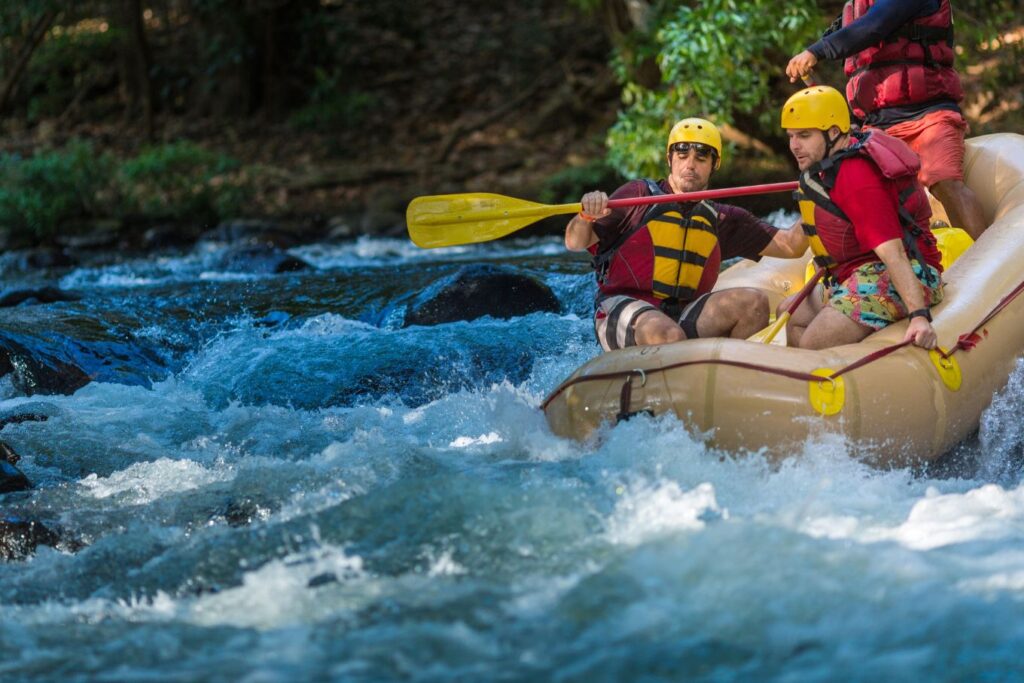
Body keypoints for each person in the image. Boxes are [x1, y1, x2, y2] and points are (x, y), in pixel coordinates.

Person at [564, 118, 807, 352]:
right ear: (669, 159)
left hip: (684, 314)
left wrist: (820, 194)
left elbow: (790, 246)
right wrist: (585, 216)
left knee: (754, 304)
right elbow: (574, 242)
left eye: (701, 158)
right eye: (682, 156)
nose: (690, 165)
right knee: (668, 335)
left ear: (714, 165)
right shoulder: (637, 196)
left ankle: (722, 381)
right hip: (622, 308)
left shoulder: (722, 219)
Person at [785, 0, 988, 240]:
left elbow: (874, 25)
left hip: (928, 115)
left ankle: (986, 261)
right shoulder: (856, 6)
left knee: (943, 179)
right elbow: (843, 35)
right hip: (877, 127)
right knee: (865, 194)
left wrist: (816, 51)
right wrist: (812, 53)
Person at [779, 85, 943, 350]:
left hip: (912, 271)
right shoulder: (843, 151)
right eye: (791, 136)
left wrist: (919, 317)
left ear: (833, 133)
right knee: (789, 314)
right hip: (858, 270)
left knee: (814, 341)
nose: (794, 146)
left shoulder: (856, 179)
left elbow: (893, 253)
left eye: (804, 136)